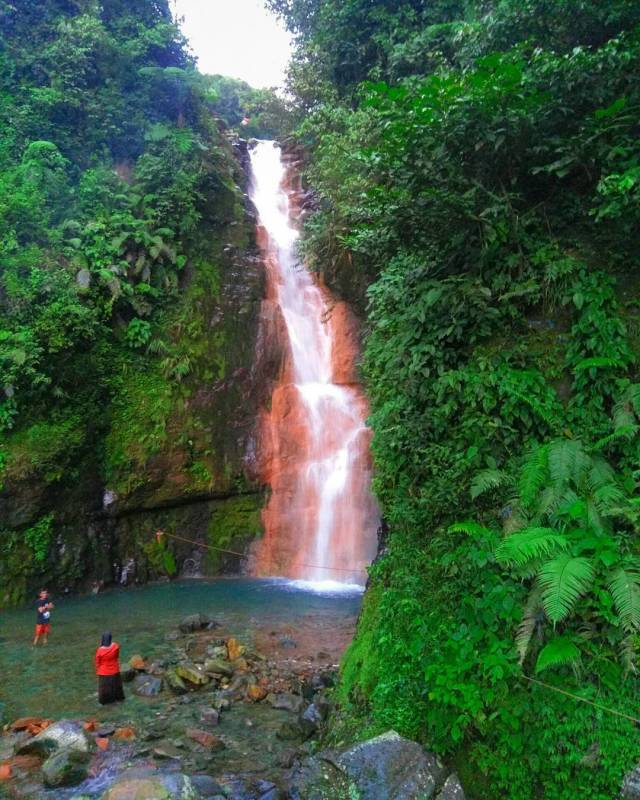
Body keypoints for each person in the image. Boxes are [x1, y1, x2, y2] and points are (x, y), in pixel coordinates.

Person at [95, 632, 125, 705]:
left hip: (104, 672)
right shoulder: (115, 646)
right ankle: (119, 699)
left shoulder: (100, 650)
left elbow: (97, 662)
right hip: (115, 670)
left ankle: (105, 702)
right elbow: (117, 656)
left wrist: (99, 669)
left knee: (104, 690)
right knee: (117, 687)